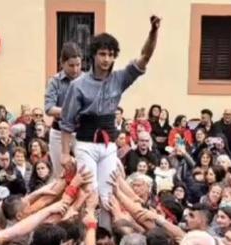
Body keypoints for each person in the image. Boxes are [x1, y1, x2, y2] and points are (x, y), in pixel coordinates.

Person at [60, 16, 161, 214]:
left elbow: (145, 57)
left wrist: (153, 32)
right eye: (102, 54)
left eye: (111, 55)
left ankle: (106, 230)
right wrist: (64, 154)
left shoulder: (120, 78)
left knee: (108, 194)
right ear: (94, 55)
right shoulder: (77, 85)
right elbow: (67, 123)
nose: (106, 59)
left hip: (108, 145)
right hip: (85, 144)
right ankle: (84, 229)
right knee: (89, 193)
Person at [45, 42, 84, 178]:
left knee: (85, 171)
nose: (75, 69)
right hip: (59, 132)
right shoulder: (54, 81)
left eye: (78, 65)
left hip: (82, 132)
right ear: (62, 63)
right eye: (71, 65)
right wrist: (69, 111)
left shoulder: (87, 80)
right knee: (60, 175)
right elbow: (49, 108)